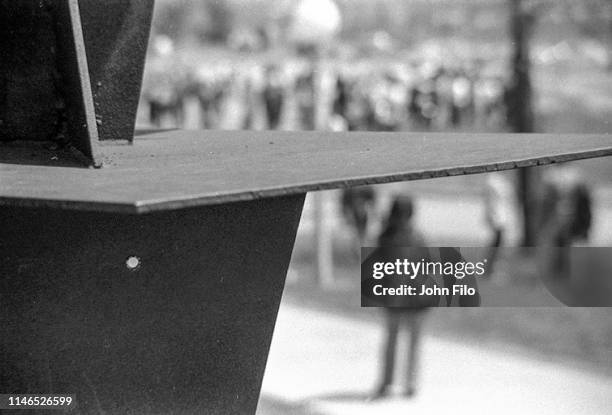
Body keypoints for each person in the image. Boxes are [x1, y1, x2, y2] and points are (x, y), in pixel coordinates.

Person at [373, 195, 429, 398]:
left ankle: (407, 383)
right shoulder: (408, 237)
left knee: (404, 340)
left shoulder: (387, 237)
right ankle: (390, 382)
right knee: (395, 339)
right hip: (401, 298)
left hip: (407, 298)